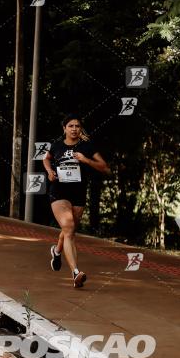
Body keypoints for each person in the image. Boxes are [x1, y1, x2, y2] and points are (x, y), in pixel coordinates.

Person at [43, 115, 110, 288]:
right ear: (64, 128)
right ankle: (75, 272)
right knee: (69, 226)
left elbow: (104, 167)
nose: (74, 129)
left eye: (77, 126)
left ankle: (56, 251)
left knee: (69, 230)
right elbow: (46, 158)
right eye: (70, 126)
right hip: (58, 192)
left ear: (80, 129)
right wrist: (50, 172)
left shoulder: (87, 146)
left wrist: (85, 160)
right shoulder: (56, 145)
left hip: (78, 194)